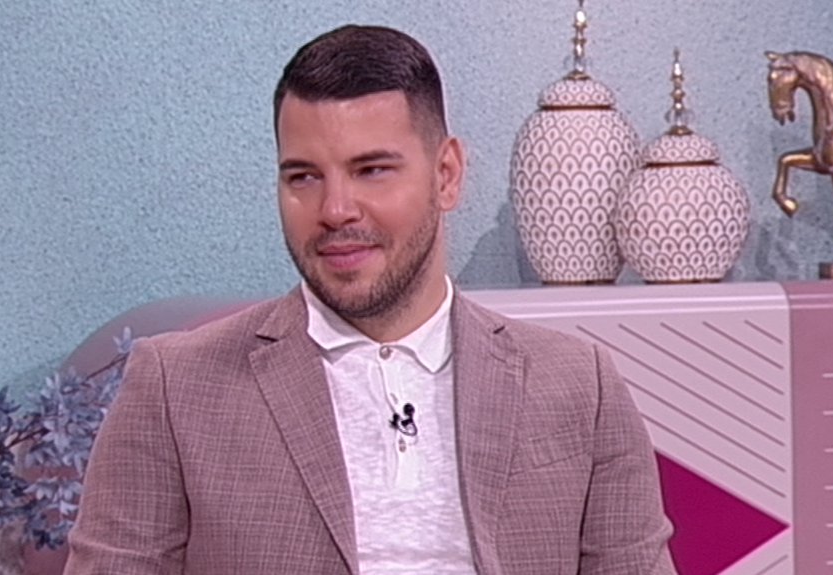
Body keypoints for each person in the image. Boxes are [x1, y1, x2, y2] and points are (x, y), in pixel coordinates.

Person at [66, 24, 676, 574]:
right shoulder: (176, 387)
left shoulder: (577, 383)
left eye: (372, 170)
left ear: (446, 175)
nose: (335, 210)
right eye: (304, 177)